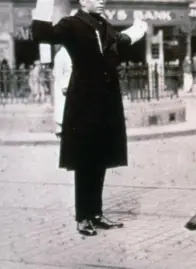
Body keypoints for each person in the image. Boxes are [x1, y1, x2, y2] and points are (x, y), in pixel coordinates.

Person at [31, 0, 148, 236]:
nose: (102, 0)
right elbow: (42, 34)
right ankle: (83, 217)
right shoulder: (72, 24)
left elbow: (118, 43)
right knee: (85, 160)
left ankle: (96, 213)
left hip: (107, 99)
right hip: (84, 99)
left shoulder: (104, 25)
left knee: (101, 156)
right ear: (83, 1)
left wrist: (137, 31)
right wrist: (44, 3)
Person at [52, 46, 72, 136]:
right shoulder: (60, 55)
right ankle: (59, 128)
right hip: (63, 85)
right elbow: (57, 73)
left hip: (71, 83)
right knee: (61, 107)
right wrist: (63, 86)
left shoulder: (70, 54)